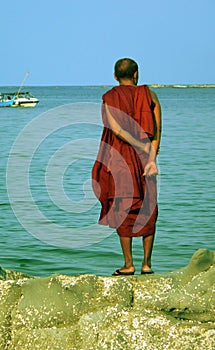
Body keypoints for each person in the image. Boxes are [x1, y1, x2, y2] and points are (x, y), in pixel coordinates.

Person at [92, 58, 162, 275]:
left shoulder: (109, 98)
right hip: (145, 160)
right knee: (148, 206)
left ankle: (128, 264)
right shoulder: (149, 94)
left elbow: (116, 129)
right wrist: (151, 159)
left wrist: (138, 144)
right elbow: (157, 129)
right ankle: (147, 264)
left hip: (119, 161)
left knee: (123, 208)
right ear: (136, 74)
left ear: (115, 76)